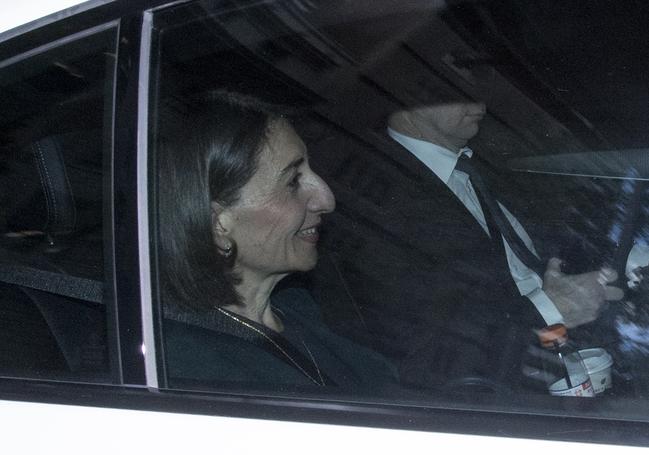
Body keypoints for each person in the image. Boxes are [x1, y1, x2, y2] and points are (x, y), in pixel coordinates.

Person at [316, 98, 624, 391]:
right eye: (458, 94)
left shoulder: (483, 161)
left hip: (577, 352)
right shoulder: (377, 200)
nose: (480, 105)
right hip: (497, 393)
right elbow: (422, 341)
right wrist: (549, 308)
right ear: (409, 98)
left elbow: (543, 245)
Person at [157, 91, 397, 390]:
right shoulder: (193, 370)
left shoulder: (299, 309)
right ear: (219, 223)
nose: (326, 199)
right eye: (293, 182)